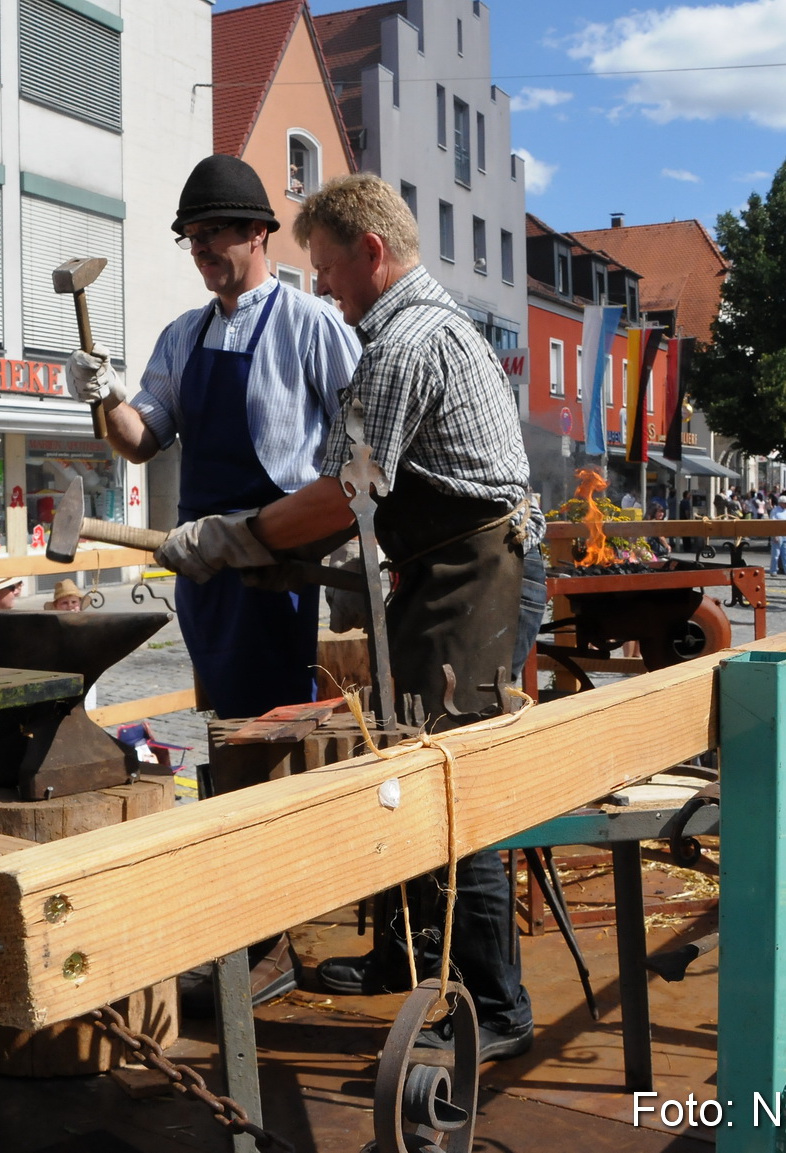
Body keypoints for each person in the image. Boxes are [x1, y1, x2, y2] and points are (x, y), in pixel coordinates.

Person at [154, 173, 538, 1062]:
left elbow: (341, 492)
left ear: (371, 252)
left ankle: (495, 1005)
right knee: (403, 755)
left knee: (452, 778)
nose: (319, 286)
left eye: (326, 268)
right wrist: (270, 545)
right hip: (441, 568)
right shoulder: (415, 326)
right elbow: (363, 502)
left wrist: (232, 536)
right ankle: (405, 954)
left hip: (475, 571)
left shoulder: (403, 343)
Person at [66, 154, 360, 724]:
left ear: (257, 233)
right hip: (200, 558)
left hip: (277, 562)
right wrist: (104, 392)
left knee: (278, 722)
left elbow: (365, 447)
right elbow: (141, 441)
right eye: (190, 237)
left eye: (211, 233)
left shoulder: (312, 324)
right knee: (223, 720)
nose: (198, 248)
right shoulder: (182, 334)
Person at [769, 494, 786, 575]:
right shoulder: (775, 511)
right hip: (778, 535)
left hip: (785, 535)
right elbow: (773, 524)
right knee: (776, 554)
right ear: (780, 503)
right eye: (785, 503)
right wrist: (775, 535)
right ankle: (773, 570)